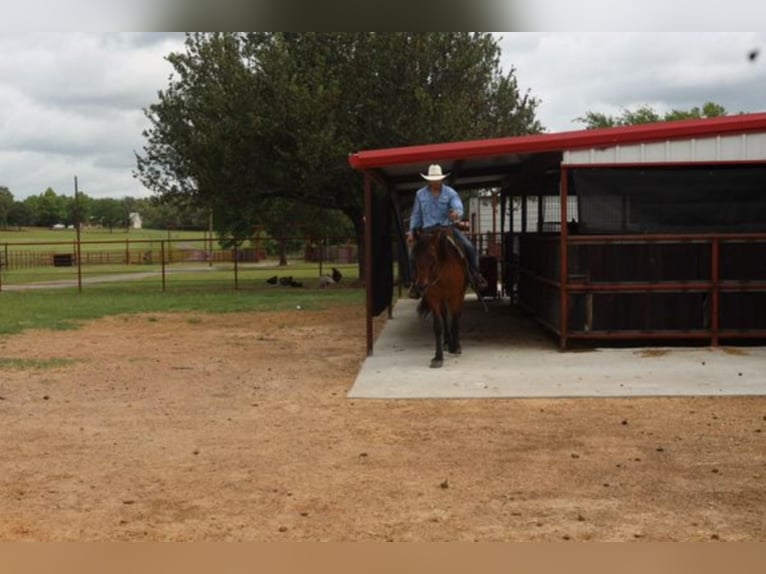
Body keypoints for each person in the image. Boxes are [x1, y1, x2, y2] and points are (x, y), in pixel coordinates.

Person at [406, 164, 488, 298]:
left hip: (446, 229)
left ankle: (475, 275)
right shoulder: (420, 195)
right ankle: (415, 283)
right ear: (428, 180)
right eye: (432, 179)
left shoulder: (450, 193)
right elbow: (416, 215)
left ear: (441, 179)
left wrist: (456, 213)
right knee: (413, 254)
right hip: (427, 232)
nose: (435, 182)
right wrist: (411, 232)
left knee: (469, 247)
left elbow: (458, 206)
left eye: (437, 179)